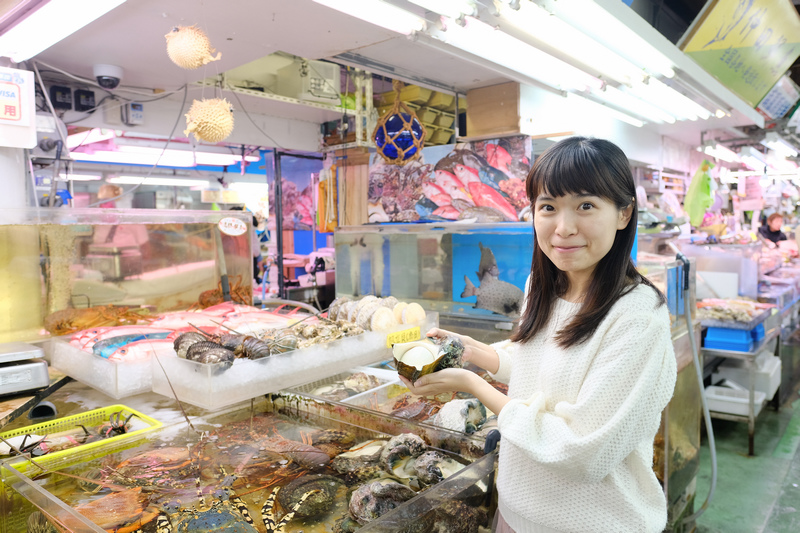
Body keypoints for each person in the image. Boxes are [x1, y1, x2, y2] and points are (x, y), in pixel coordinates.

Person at [400, 137, 677, 533]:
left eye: (585, 205)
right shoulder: (542, 285)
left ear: (623, 213)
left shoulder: (638, 316)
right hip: (516, 512)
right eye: (548, 207)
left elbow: (583, 452)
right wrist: (475, 354)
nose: (563, 228)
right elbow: (543, 368)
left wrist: (473, 385)